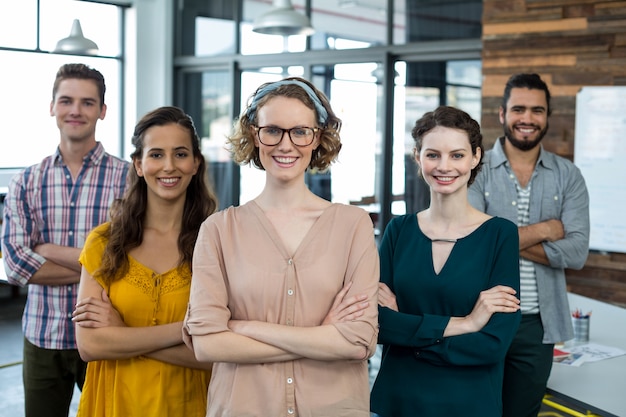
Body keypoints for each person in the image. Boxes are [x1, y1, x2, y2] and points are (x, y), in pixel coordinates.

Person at [183, 77, 379, 417]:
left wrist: (244, 328)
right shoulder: (217, 231)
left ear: (317, 137)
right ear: (253, 134)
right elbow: (207, 343)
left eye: (300, 131)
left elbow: (358, 342)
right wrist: (321, 338)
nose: (285, 145)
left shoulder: (354, 225)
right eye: (272, 130)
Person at [370, 105, 522, 417]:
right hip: (400, 400)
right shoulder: (399, 230)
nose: (444, 166)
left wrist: (408, 331)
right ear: (417, 157)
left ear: (475, 157)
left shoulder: (501, 235)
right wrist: (467, 323)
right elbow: (376, 324)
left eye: (457, 155)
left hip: (468, 403)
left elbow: (493, 343)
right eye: (433, 154)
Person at [71, 106, 218, 416]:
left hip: (188, 405)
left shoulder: (218, 244)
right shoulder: (104, 242)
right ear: (138, 164)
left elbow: (218, 353)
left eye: (180, 154)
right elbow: (91, 346)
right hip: (114, 405)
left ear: (195, 164)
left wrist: (122, 332)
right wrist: (187, 330)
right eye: (155, 155)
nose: (168, 166)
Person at [1, 63, 129, 417]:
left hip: (107, 332)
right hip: (43, 333)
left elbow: (132, 259)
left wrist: (47, 251)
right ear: (52, 106)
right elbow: (15, 265)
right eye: (67, 100)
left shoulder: (129, 179)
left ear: (102, 111)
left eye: (88, 103)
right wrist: (98, 266)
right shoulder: (27, 181)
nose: (76, 110)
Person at [468, 73, 590, 417]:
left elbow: (577, 252)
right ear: (502, 114)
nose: (528, 118)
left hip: (539, 324)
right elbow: (472, 242)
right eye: (519, 108)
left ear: (547, 116)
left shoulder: (568, 175)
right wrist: (547, 229)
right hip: (479, 315)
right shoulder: (476, 168)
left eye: (537, 110)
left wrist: (499, 237)